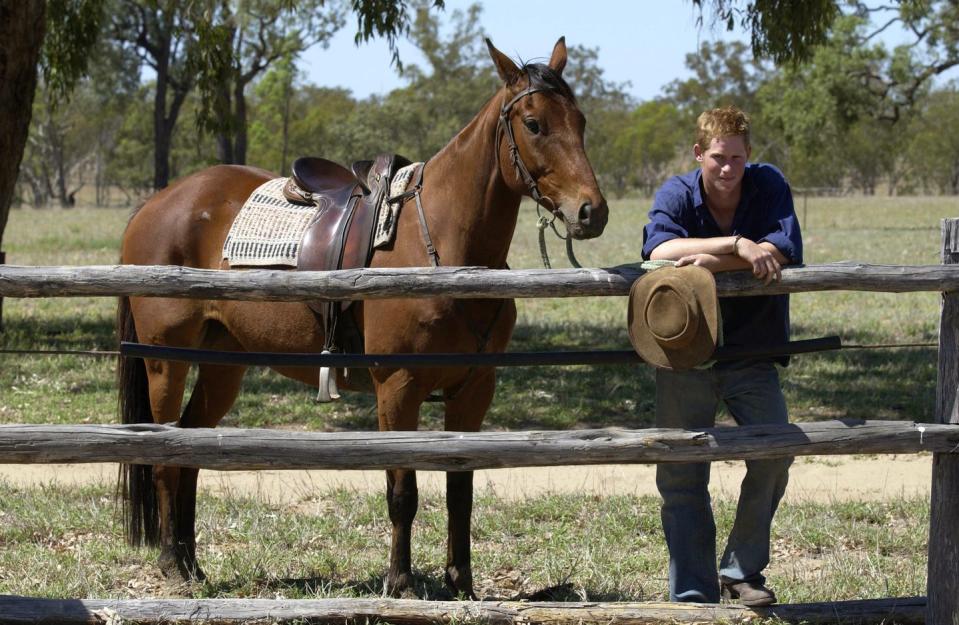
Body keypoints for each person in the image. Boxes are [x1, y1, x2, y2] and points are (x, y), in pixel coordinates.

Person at [640, 106, 803, 606]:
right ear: (698, 155)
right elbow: (657, 251)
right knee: (682, 472)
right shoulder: (676, 192)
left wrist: (710, 258)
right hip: (685, 354)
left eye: (736, 157)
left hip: (752, 351)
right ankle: (692, 595)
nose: (728, 167)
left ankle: (740, 571)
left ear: (749, 156)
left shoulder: (769, 183)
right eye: (717, 158)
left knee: (775, 452)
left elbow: (784, 248)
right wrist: (738, 244)